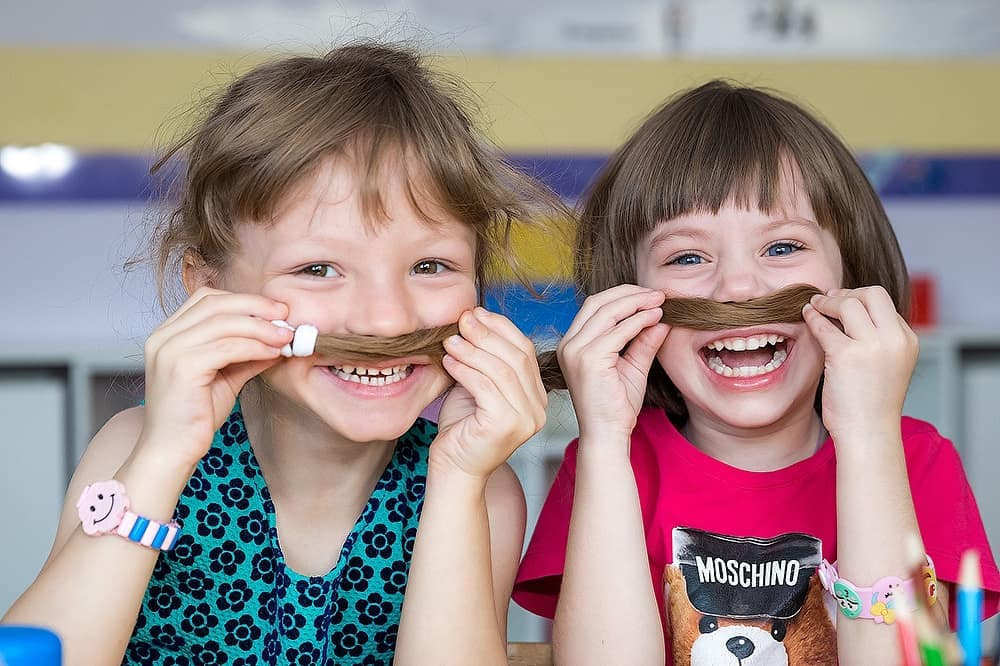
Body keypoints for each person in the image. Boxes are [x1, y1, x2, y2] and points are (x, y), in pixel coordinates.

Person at [3, 43, 557, 666]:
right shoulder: (136, 449)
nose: (385, 318)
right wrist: (165, 453)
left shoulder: (480, 492)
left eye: (430, 266)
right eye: (317, 268)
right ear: (209, 291)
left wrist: (456, 481)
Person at [513, 80, 1000, 665]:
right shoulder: (610, 463)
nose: (738, 287)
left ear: (850, 280)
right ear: (627, 300)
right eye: (687, 257)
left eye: (782, 248)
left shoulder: (916, 461)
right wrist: (605, 442)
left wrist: (870, 435)